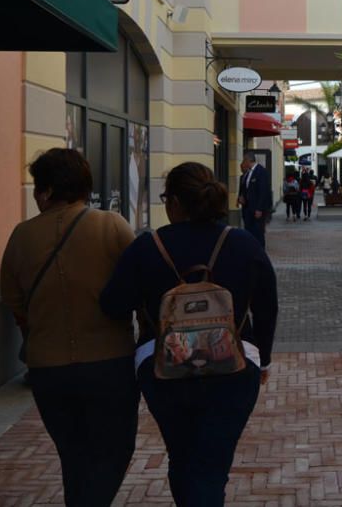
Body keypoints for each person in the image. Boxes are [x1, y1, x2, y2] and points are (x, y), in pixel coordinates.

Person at [101, 162, 278, 506]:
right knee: (213, 463)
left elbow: (113, 304)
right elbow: (267, 306)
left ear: (177, 203)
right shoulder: (243, 243)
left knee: (182, 455)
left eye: (166, 197)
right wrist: (265, 359)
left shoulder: (147, 246)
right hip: (235, 367)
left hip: (163, 370)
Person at [0, 148, 138, 506]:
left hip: (47, 366)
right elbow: (138, 286)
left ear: (45, 191)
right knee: (113, 450)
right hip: (109, 363)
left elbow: (14, 301)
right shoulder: (112, 226)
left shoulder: (21, 235)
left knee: (72, 453)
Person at [237, 153, 272, 247]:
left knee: (258, 233)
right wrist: (242, 198)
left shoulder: (261, 171)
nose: (243, 163)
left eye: (244, 161)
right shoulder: (248, 173)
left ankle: (260, 253)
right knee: (249, 233)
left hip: (257, 210)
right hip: (248, 209)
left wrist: (259, 208)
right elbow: (245, 189)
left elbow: (263, 191)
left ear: (249, 160)